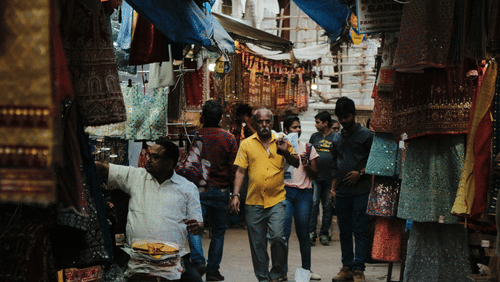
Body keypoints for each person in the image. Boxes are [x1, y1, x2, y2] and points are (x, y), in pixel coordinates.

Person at [94, 139, 204, 282]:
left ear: (170, 163)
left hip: (172, 258)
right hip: (135, 255)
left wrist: (197, 227)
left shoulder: (188, 188)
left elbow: (199, 224)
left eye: (155, 157)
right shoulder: (136, 177)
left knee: (195, 280)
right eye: (149, 155)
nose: (148, 160)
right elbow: (103, 169)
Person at [229, 107, 299, 282]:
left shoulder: (282, 140)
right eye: (260, 121)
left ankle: (277, 273)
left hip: (277, 199)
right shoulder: (246, 144)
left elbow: (296, 163)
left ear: (273, 122)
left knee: (277, 237)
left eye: (268, 121)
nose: (264, 124)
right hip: (254, 201)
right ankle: (263, 278)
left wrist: (285, 152)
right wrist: (236, 195)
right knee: (257, 244)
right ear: (254, 123)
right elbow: (240, 171)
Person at [186, 100, 238, 282]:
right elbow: (233, 168)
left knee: (194, 228)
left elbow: (188, 164)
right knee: (218, 232)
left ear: (202, 116)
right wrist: (234, 193)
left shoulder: (192, 136)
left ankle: (199, 260)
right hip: (220, 190)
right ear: (221, 118)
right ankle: (213, 270)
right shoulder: (229, 138)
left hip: (197, 190)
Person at [329, 97, 374, 282]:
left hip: (361, 191)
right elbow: (334, 165)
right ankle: (346, 268)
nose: (344, 121)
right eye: (341, 117)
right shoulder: (336, 138)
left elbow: (375, 163)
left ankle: (358, 270)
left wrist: (360, 173)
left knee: (360, 230)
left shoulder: (366, 136)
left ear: (353, 114)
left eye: (347, 116)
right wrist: (332, 190)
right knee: (344, 231)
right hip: (341, 193)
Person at [281, 116, 322, 281]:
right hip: (285, 192)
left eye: (299, 127)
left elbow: (316, 174)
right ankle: (282, 271)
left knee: (303, 233)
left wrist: (305, 165)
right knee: (282, 234)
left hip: (304, 194)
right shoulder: (280, 148)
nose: (297, 130)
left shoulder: (308, 147)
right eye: (293, 127)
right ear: (286, 130)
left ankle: (307, 269)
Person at [308, 111, 336, 246]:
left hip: (330, 178)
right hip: (316, 178)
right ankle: (311, 233)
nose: (315, 125)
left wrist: (334, 185)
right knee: (313, 205)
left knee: (327, 206)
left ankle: (324, 234)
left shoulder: (336, 138)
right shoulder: (314, 137)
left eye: (318, 122)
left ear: (326, 123)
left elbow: (337, 159)